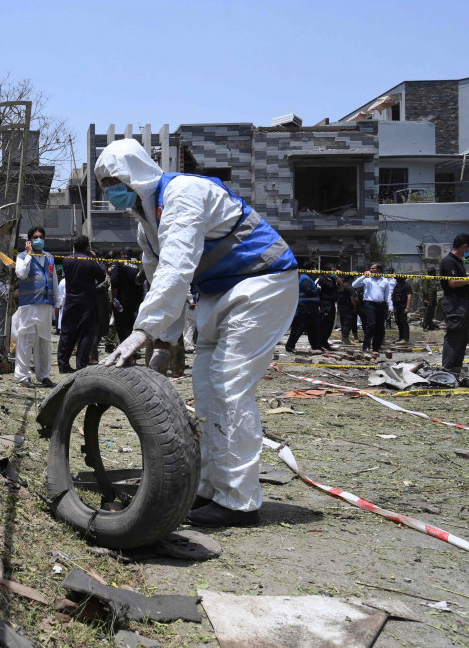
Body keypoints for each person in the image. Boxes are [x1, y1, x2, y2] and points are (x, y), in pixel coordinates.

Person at [95, 138, 298, 528]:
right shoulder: (146, 224)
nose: (112, 193)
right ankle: (208, 489)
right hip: (219, 292)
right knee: (205, 388)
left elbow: (176, 268)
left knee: (228, 386)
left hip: (263, 282)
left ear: (136, 174)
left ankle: (239, 502)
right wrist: (164, 341)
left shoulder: (184, 194)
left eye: (115, 182)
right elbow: (158, 281)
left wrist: (140, 333)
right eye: (105, 187)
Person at [12, 226, 59, 388]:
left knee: (44, 342)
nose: (38, 239)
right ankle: (23, 377)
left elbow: (54, 281)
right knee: (26, 340)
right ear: (29, 241)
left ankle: (44, 375)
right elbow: (21, 274)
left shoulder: (50, 258)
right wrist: (30, 255)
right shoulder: (22, 257)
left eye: (41, 237)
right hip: (29, 304)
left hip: (46, 306)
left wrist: (57, 302)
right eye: (35, 237)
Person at [58, 235, 106, 373]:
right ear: (87, 247)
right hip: (87, 303)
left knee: (67, 334)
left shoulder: (67, 260)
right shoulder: (90, 262)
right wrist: (94, 259)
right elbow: (101, 276)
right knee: (86, 334)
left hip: (70, 301)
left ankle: (63, 364)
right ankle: (81, 364)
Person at [440, 233, 469, 374]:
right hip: (454, 303)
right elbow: (453, 283)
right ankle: (447, 369)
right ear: (464, 246)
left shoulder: (459, 261)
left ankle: (456, 368)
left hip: (462, 302)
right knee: (454, 335)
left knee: (462, 336)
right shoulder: (449, 261)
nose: (468, 252)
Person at [352, 263, 393, 357]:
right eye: (370, 268)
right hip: (369, 304)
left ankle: (376, 347)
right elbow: (354, 285)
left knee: (380, 326)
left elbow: (388, 294)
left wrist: (390, 306)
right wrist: (363, 276)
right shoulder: (367, 279)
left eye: (373, 268)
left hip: (381, 304)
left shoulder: (385, 281)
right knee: (371, 324)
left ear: (379, 269)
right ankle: (366, 345)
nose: (371, 270)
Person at [286, 271, 326, 352]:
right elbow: (308, 292)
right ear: (310, 269)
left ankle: (315, 346)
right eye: (314, 269)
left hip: (311, 307)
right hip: (305, 307)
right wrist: (318, 290)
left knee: (314, 327)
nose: (315, 271)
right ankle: (290, 346)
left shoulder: (307, 279)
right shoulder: (305, 279)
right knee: (299, 327)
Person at [110, 247, 142, 344]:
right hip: (133, 302)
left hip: (121, 300)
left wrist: (114, 298)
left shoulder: (117, 263)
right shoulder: (136, 266)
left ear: (121, 253)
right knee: (131, 325)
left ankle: (125, 348)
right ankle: (132, 349)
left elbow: (114, 281)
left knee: (121, 326)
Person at [316, 265, 343, 347]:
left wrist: (340, 282)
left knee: (330, 324)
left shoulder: (332, 280)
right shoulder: (321, 280)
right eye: (333, 271)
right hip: (324, 304)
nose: (335, 273)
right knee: (324, 322)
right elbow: (317, 292)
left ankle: (325, 342)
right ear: (328, 270)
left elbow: (340, 290)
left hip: (332, 304)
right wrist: (318, 306)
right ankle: (319, 343)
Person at [335, 268, 356, 344]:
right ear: (350, 279)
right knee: (348, 322)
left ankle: (344, 336)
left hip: (341, 306)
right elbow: (352, 298)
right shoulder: (350, 288)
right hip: (348, 306)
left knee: (343, 321)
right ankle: (345, 337)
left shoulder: (340, 286)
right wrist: (355, 306)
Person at [392, 273, 413, 343]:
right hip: (397, 306)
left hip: (403, 306)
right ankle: (401, 337)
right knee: (398, 321)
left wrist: (407, 307)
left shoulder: (406, 286)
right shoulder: (397, 285)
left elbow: (409, 296)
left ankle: (405, 338)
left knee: (403, 322)